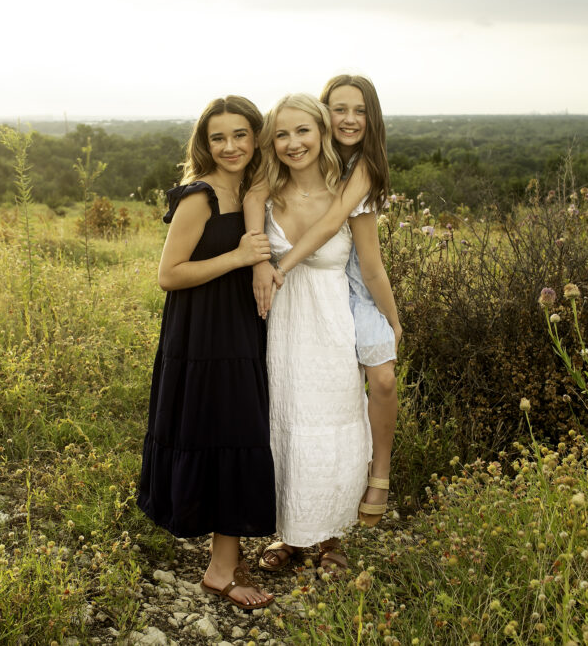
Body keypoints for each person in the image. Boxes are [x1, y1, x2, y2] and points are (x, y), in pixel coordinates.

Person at [246, 75, 401, 541]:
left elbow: (359, 252)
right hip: (290, 314)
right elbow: (253, 194)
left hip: (342, 299)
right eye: (283, 134)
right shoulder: (269, 187)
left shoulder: (360, 174)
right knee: (288, 417)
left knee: (360, 399)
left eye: (359, 110)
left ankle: (355, 505)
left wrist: (392, 319)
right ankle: (289, 532)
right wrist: (260, 263)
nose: (349, 119)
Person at [136, 95, 276, 610]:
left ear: (256, 136)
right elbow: (168, 275)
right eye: (218, 137)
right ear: (204, 142)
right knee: (226, 435)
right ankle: (220, 571)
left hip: (244, 328)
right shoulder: (200, 197)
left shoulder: (256, 188)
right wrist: (238, 255)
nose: (230, 146)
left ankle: (228, 555)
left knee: (239, 434)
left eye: (240, 134)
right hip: (204, 335)